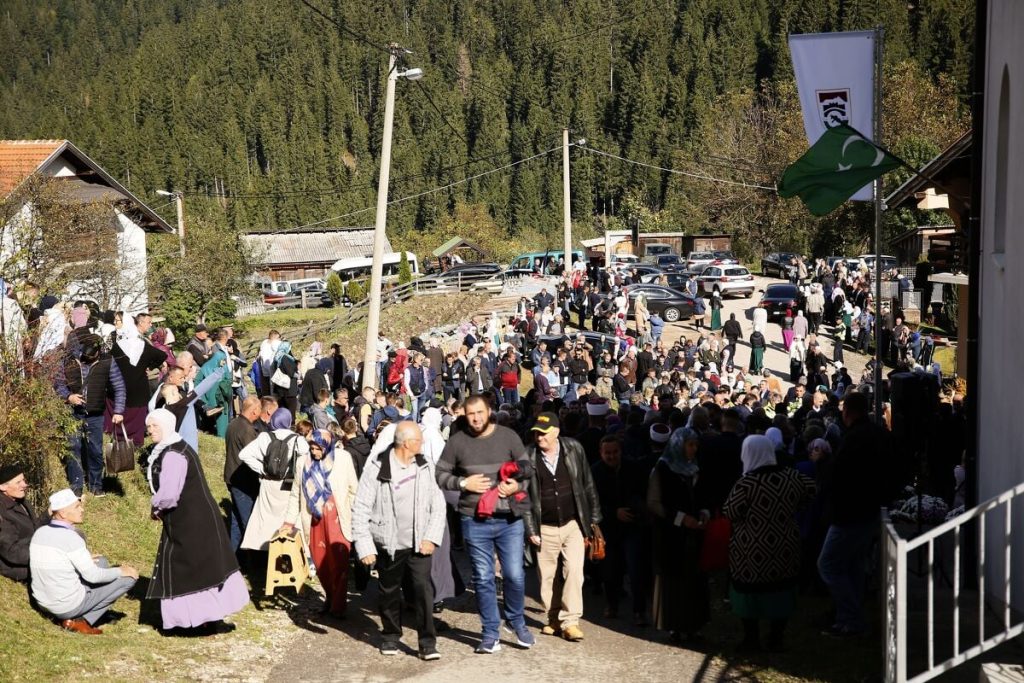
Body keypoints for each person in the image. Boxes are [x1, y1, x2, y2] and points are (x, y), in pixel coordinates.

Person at [435, 395, 536, 653]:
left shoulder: (508, 436)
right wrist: (462, 484)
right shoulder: (457, 442)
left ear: (489, 411)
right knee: (482, 577)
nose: (476, 418)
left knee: (514, 574)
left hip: (508, 519)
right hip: (474, 519)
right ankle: (490, 633)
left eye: (480, 412)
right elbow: (440, 474)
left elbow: (526, 468)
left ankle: (516, 621)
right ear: (464, 416)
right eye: (471, 414)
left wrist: (517, 484)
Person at [144, 409, 248, 631]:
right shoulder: (177, 447)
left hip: (189, 521)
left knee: (188, 569)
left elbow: (170, 494)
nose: (150, 430)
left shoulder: (173, 454)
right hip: (198, 517)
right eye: (149, 426)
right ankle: (207, 617)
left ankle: (197, 620)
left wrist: (156, 505)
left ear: (167, 426)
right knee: (203, 568)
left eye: (155, 426)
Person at [352, 422, 447, 660]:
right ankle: (390, 636)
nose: (422, 443)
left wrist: (431, 537)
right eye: (418, 440)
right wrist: (364, 545)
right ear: (405, 443)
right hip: (388, 543)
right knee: (389, 591)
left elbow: (438, 504)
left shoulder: (425, 465)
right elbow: (361, 507)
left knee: (423, 590)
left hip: (419, 542)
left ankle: (427, 642)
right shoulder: (377, 467)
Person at [723, 435, 815, 652]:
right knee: (781, 591)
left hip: (751, 548)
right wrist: (796, 508)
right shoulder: (792, 476)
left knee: (749, 593)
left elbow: (730, 511)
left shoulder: (746, 483)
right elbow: (812, 490)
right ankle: (776, 637)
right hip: (786, 543)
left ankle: (751, 639)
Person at [817, 391, 892, 637]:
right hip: (869, 510)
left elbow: (841, 475)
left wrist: (824, 463)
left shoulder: (855, 438)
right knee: (854, 566)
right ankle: (845, 617)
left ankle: (851, 617)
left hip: (850, 513)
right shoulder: (879, 434)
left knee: (828, 564)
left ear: (847, 411)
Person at [522, 412, 602, 642]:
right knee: (547, 576)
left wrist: (593, 517)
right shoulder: (528, 456)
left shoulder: (574, 449)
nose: (539, 437)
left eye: (544, 433)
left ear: (556, 432)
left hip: (572, 524)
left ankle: (571, 621)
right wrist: (531, 529)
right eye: (537, 433)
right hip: (543, 527)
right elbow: (523, 496)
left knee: (574, 572)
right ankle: (553, 618)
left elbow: (587, 482)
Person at [29, 489, 138, 634]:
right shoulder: (71, 537)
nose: (82, 509)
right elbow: (92, 577)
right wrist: (121, 571)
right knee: (129, 578)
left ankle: (75, 615)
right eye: (76, 507)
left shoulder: (40, 532)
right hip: (66, 605)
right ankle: (81, 620)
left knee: (101, 561)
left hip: (43, 602)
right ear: (62, 513)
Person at [281, 429, 359, 619]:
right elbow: (296, 493)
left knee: (339, 562)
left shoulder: (343, 458)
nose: (314, 451)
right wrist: (288, 522)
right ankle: (330, 598)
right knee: (320, 561)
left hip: (338, 517)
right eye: (312, 447)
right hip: (314, 518)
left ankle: (338, 606)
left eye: (318, 448)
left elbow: (353, 489)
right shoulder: (302, 463)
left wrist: (355, 515)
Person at [647, 427, 710, 643]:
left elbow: (702, 496)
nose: (693, 449)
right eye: (690, 445)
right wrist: (681, 518)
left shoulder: (694, 468)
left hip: (694, 535)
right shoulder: (663, 469)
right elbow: (655, 503)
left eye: (695, 445)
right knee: (674, 582)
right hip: (670, 535)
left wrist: (704, 512)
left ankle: (694, 625)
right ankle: (674, 625)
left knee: (694, 581)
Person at [55, 339, 126, 496]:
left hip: (95, 414)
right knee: (73, 448)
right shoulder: (67, 360)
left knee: (95, 450)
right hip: (72, 412)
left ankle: (96, 486)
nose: (88, 359)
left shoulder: (108, 360)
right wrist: (69, 396)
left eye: (92, 356)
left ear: (98, 352)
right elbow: (58, 384)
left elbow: (119, 386)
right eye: (85, 356)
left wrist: (119, 411)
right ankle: (76, 486)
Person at [239, 409, 312, 552]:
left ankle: (262, 550)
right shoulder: (298, 440)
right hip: (288, 484)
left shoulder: (264, 437)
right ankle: (286, 550)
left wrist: (262, 469)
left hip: (268, 483)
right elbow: (306, 460)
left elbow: (244, 454)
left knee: (265, 520)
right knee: (288, 519)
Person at [110, 313, 167, 445]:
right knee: (136, 418)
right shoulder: (144, 346)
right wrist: (148, 366)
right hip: (139, 387)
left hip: (121, 386)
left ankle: (119, 440)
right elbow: (162, 355)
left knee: (122, 414)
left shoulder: (118, 347)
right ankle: (135, 443)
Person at [224, 396, 262, 553]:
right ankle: (252, 558)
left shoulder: (233, 423)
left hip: (232, 476)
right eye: (259, 409)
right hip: (243, 481)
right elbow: (255, 454)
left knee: (236, 520)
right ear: (254, 411)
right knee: (247, 521)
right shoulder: (247, 430)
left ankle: (233, 556)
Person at [0, 464, 45, 581]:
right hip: (18, 566)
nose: (25, 485)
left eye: (24, 480)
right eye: (18, 482)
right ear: (3, 487)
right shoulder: (3, 511)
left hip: (34, 551)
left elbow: (34, 529)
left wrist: (49, 515)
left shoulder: (21, 501)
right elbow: (11, 552)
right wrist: (45, 556)